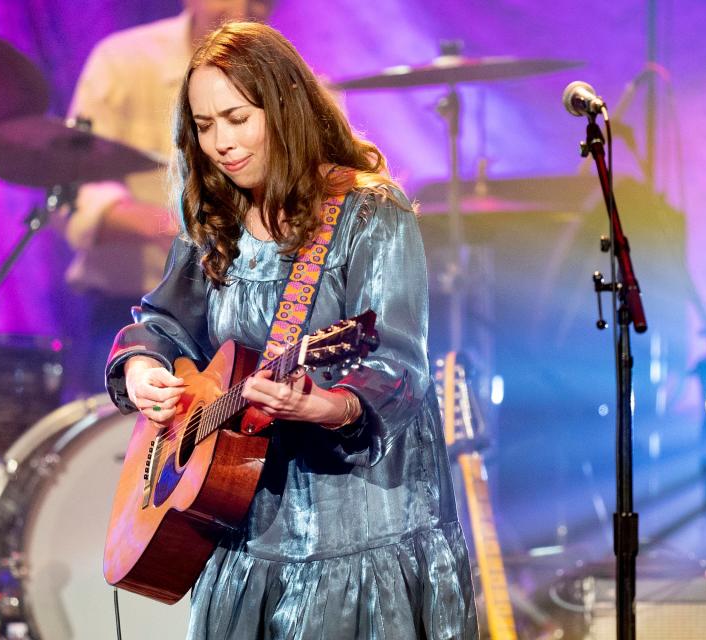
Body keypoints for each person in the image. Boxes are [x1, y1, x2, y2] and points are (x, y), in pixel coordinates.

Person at [105, 21, 478, 640]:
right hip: (241, 526)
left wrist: (327, 404)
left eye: (237, 117)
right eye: (203, 126)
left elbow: (398, 364)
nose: (220, 142)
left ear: (283, 109)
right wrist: (144, 367)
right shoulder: (215, 220)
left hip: (356, 530)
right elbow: (161, 323)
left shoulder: (369, 211)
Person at [63, 1, 273, 395]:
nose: (238, 7)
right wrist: (170, 227)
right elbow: (76, 187)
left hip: (237, 325)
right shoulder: (124, 59)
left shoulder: (288, 82)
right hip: (124, 308)